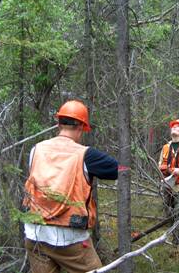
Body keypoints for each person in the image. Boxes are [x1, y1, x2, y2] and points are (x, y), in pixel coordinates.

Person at [23, 100, 118, 273]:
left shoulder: (36, 149)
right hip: (70, 238)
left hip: (35, 234)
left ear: (58, 123)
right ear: (81, 127)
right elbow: (117, 169)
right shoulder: (86, 155)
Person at [158, 119, 179, 219]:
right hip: (168, 185)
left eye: (178, 126)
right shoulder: (165, 147)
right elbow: (160, 164)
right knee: (168, 212)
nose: (174, 127)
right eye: (173, 126)